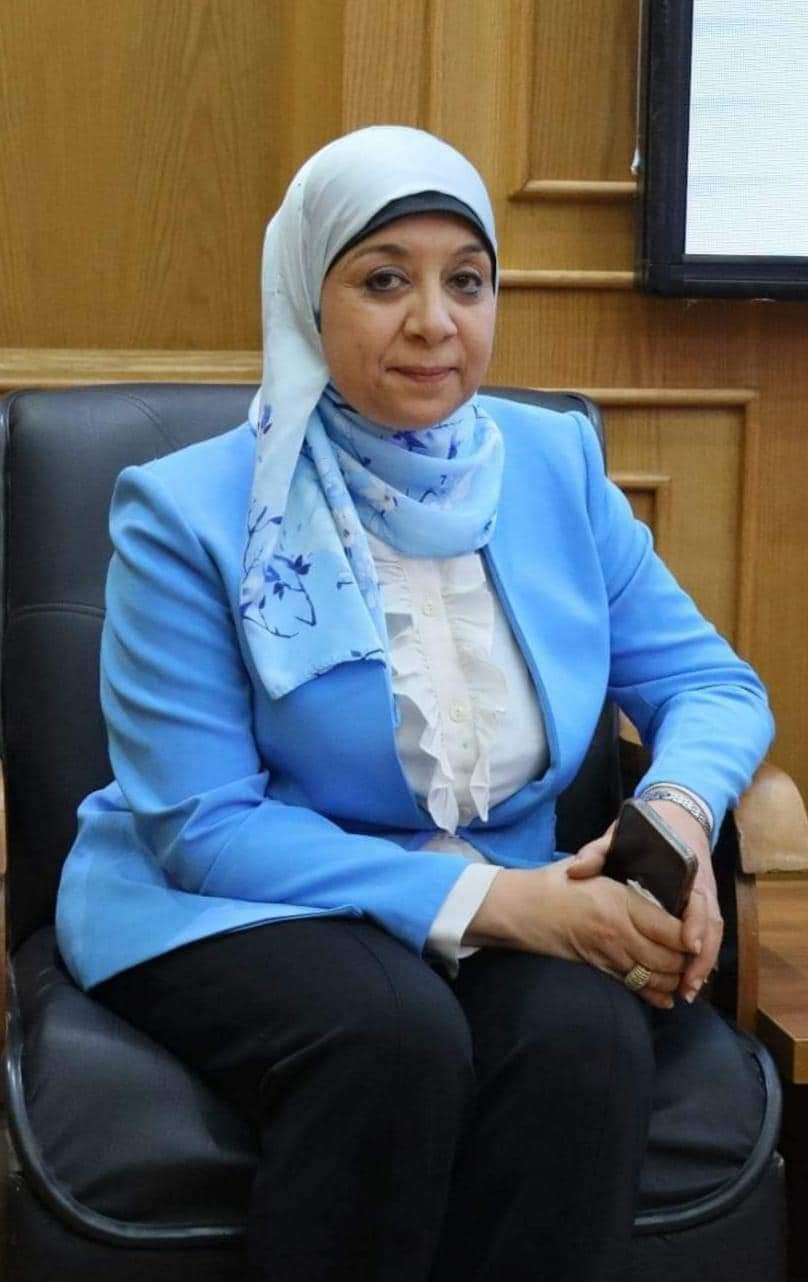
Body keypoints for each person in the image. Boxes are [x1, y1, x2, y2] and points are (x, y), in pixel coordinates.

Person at [55, 126, 774, 1282]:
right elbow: (204, 825)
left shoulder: (554, 465)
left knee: (589, 1041)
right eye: (385, 279)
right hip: (235, 895)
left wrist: (677, 820)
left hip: (506, 875)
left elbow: (709, 683)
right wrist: (504, 904)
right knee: (393, 1039)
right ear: (308, 296)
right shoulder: (187, 512)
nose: (436, 321)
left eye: (467, 280)